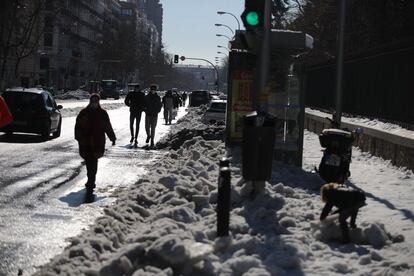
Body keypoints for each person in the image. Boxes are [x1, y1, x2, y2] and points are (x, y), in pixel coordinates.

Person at [75, 94, 116, 194]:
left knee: (93, 162)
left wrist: (112, 137)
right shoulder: (83, 113)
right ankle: (91, 179)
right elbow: (78, 126)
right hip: (85, 142)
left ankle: (91, 180)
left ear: (98, 102)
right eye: (92, 101)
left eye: (96, 101)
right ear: (90, 101)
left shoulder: (102, 113)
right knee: (89, 162)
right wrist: (79, 137)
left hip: (98, 142)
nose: (94, 103)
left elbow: (107, 126)